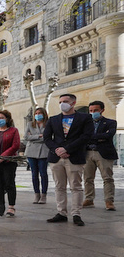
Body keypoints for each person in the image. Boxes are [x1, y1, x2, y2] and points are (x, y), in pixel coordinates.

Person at [43, 93, 94, 226]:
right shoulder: (53, 119)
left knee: (75, 187)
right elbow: (47, 138)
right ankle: (61, 213)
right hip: (56, 158)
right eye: (60, 102)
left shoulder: (85, 118)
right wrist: (57, 150)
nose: (62, 104)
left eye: (65, 101)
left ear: (73, 103)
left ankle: (76, 214)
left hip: (75, 157)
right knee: (59, 186)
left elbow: (86, 136)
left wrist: (68, 149)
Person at [83, 100, 118, 211]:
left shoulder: (110, 122)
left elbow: (109, 135)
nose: (93, 112)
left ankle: (109, 201)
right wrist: (99, 137)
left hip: (103, 153)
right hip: (88, 152)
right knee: (88, 178)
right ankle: (89, 199)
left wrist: (91, 136)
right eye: (91, 110)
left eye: (96, 110)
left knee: (107, 178)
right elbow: (82, 136)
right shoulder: (85, 123)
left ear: (102, 110)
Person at [25, 107, 50, 204]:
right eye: (36, 113)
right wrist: (39, 136)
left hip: (44, 151)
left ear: (44, 114)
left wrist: (33, 137)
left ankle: (44, 195)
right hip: (31, 151)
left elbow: (48, 137)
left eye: (40, 113)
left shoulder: (48, 124)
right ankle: (36, 194)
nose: (37, 115)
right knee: (34, 174)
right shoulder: (30, 124)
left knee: (43, 173)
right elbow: (26, 137)